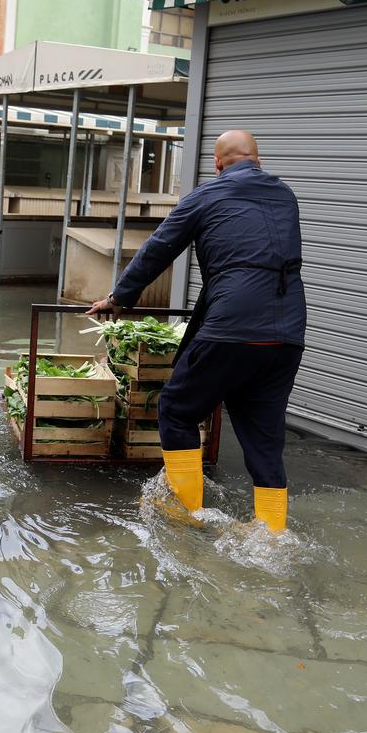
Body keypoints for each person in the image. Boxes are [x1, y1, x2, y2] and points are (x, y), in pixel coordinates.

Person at [87, 130, 307, 532]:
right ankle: (273, 532)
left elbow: (159, 248)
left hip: (232, 326)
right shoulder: (285, 196)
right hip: (287, 333)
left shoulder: (207, 196)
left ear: (218, 164)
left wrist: (119, 298)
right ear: (258, 159)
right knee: (264, 434)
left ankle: (188, 513)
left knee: (177, 407)